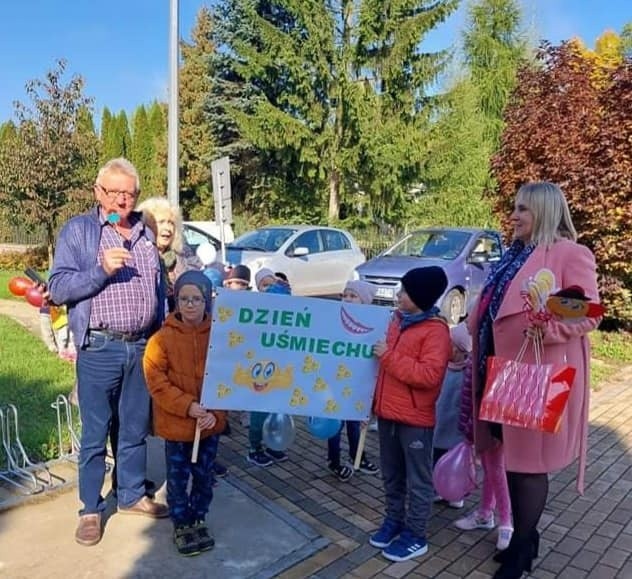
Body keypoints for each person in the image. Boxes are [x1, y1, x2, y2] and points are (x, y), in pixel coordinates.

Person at [468, 182, 601, 579]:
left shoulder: (566, 254)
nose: (514, 215)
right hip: (502, 370)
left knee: (529, 466)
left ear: (543, 211)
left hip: (537, 372)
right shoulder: (514, 256)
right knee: (512, 459)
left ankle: (521, 549)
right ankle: (526, 540)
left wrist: (549, 326)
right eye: (514, 208)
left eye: (523, 209)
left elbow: (588, 311)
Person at [48, 157, 168, 547]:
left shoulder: (145, 234)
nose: (122, 199)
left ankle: (131, 494)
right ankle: (89, 509)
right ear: (98, 192)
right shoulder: (80, 231)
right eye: (114, 192)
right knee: (96, 433)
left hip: (141, 345)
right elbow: (60, 288)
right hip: (99, 346)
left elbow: (158, 287)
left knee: (133, 429)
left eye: (129, 193)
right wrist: (100, 269)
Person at [369, 266, 451, 562]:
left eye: (404, 291)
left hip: (415, 420)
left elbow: (428, 375)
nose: (398, 295)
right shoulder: (395, 322)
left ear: (420, 296)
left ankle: (416, 534)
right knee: (391, 474)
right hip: (387, 413)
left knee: (418, 480)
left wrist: (388, 357)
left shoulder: (436, 332)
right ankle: (394, 520)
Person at [143, 271, 227, 556]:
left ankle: (199, 517)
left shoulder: (220, 336)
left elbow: (226, 379)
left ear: (207, 301)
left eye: (196, 299)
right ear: (175, 301)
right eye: (184, 299)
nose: (190, 305)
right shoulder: (161, 340)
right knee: (177, 479)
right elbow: (157, 382)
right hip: (178, 426)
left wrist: (214, 413)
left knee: (204, 477)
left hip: (208, 425)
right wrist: (188, 406)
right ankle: (182, 523)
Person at [452, 325, 513, 551]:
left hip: (498, 418)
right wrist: (470, 430)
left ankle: (506, 522)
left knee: (496, 469)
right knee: (490, 467)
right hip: (483, 419)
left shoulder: (497, 349)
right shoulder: (476, 355)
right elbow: (469, 399)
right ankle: (485, 513)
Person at [326, 280, 380, 482]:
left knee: (355, 422)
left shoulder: (371, 326)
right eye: (345, 295)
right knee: (335, 424)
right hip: (336, 383)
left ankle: (358, 456)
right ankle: (334, 461)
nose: (347, 299)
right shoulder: (335, 321)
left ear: (364, 301)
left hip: (357, 384)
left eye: (353, 296)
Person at [244, 268, 290, 466]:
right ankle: (255, 448)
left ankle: (273, 444)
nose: (269, 288)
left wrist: (282, 289)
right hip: (260, 372)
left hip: (279, 370)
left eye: (272, 283)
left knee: (276, 411)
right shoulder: (256, 309)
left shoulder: (286, 302)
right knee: (259, 414)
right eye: (264, 284)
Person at [136, 196, 201, 311]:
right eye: (161, 222)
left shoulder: (183, 256)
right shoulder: (137, 255)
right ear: (146, 224)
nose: (168, 228)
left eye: (171, 223)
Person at [432, 322, 471, 510]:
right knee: (437, 456)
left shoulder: (468, 372)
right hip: (439, 422)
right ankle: (439, 487)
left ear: (460, 349)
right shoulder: (443, 366)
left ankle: (457, 492)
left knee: (456, 462)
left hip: (457, 428)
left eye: (450, 344)